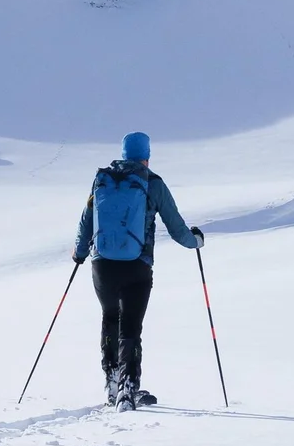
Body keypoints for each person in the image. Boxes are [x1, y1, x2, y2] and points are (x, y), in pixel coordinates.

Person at [73, 131, 201, 411]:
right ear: (147, 156)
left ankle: (111, 383)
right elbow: (177, 227)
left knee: (109, 318)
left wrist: (80, 253)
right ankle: (127, 391)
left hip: (102, 265)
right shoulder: (152, 183)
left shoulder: (103, 179)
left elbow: (86, 221)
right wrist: (196, 242)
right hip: (137, 266)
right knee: (130, 325)